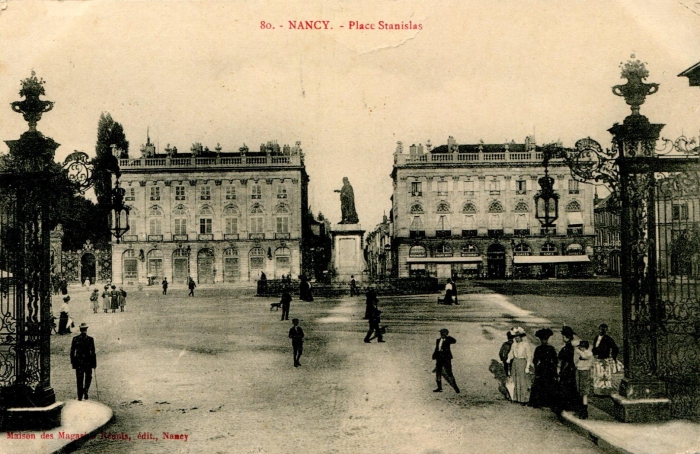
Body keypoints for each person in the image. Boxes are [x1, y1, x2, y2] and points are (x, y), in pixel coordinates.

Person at [529, 328, 559, 409]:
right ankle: (548, 402)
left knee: (542, 385)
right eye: (543, 339)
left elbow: (535, 361)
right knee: (548, 385)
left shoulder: (539, 348)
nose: (544, 341)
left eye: (545, 339)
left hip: (543, 368)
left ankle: (541, 402)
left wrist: (536, 368)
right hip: (548, 368)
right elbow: (555, 361)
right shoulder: (550, 348)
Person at [70, 322, 96, 401]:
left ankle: (80, 396)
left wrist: (73, 362)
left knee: (79, 379)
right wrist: (94, 364)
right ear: (86, 329)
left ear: (80, 329)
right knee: (88, 377)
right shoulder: (90, 339)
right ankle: (86, 390)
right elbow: (93, 352)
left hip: (78, 362)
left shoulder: (75, 339)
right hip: (88, 362)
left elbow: (72, 352)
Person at [591, 323, 619, 396]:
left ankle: (606, 392)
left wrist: (613, 357)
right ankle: (598, 392)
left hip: (605, 359)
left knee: (605, 375)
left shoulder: (608, 339)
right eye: (600, 329)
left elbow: (615, 348)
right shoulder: (596, 338)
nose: (601, 331)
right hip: (597, 360)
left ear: (605, 330)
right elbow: (594, 347)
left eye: (602, 329)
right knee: (598, 375)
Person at [507, 327, 533, 404]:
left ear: (521, 336)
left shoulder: (525, 344)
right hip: (515, 363)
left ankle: (523, 399)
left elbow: (529, 356)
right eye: (515, 337)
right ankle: (514, 397)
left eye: (518, 337)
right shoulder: (514, 344)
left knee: (522, 381)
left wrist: (527, 367)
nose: (517, 338)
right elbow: (511, 353)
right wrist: (509, 358)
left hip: (522, 363)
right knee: (514, 380)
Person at [558, 326, 580, 414]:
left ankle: (568, 405)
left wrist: (562, 371)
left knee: (566, 387)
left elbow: (566, 361)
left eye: (563, 337)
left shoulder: (568, 348)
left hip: (567, 369)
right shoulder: (569, 347)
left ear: (567, 337)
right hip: (570, 368)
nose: (562, 338)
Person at [432, 328, 460, 393]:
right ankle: (439, 388)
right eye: (441, 333)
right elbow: (437, 349)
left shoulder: (448, 340)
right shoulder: (438, 340)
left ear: (446, 333)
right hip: (439, 358)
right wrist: (434, 355)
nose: (441, 334)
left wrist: (447, 336)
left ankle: (456, 388)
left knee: (449, 373)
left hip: (446, 358)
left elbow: (454, 341)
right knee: (438, 373)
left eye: (442, 333)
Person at [575, 340, 594, 419]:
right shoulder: (582, 353)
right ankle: (581, 410)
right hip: (580, 371)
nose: (581, 348)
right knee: (580, 390)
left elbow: (584, 356)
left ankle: (584, 411)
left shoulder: (588, 353)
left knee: (584, 392)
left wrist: (577, 350)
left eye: (582, 347)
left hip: (585, 372)